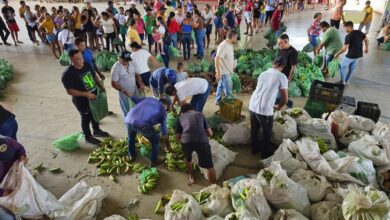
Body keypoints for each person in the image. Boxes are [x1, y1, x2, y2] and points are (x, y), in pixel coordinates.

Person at [61, 49, 109, 145]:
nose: (81, 61)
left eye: (81, 58)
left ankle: (96, 130)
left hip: (94, 97)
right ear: (71, 60)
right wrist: (86, 94)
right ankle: (88, 136)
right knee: (86, 117)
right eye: (77, 59)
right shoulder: (68, 74)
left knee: (95, 114)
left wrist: (100, 86)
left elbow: (94, 75)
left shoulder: (86, 64)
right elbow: (70, 91)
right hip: (81, 100)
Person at [249, 56, 288, 158]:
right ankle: (265, 153)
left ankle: (254, 149)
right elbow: (285, 98)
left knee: (254, 129)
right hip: (264, 109)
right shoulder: (282, 76)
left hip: (252, 104)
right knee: (267, 132)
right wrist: (279, 106)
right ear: (282, 66)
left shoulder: (263, 73)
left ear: (273, 63)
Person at [175, 104, 216, 184]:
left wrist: (181, 142)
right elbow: (210, 133)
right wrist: (204, 135)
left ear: (183, 112)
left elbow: (177, 137)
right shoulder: (200, 114)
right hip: (202, 140)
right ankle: (214, 185)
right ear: (193, 109)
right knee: (209, 166)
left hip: (186, 141)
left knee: (188, 159)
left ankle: (192, 176)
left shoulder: (180, 118)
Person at [125, 97, 170, 166]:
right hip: (141, 124)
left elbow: (135, 99)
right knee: (156, 140)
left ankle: (132, 155)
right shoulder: (162, 111)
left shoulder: (150, 99)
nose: (166, 110)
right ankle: (154, 161)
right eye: (167, 108)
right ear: (165, 106)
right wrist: (168, 145)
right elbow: (164, 133)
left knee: (131, 137)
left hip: (128, 119)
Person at [335, 21, 369, 85]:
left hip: (351, 55)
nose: (344, 30)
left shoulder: (348, 36)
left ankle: (342, 82)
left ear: (348, 27)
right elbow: (366, 40)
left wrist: (337, 54)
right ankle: (347, 81)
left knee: (342, 67)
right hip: (359, 54)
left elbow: (344, 49)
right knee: (352, 68)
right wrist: (366, 48)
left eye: (344, 28)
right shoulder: (360, 32)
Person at [111, 51, 143, 116]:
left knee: (138, 106)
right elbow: (114, 84)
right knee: (127, 110)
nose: (127, 62)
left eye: (128, 60)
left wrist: (141, 84)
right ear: (119, 58)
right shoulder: (116, 68)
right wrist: (124, 91)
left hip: (134, 89)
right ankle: (129, 124)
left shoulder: (131, 63)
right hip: (124, 93)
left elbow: (137, 75)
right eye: (125, 60)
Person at [215, 30, 238, 104]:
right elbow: (217, 58)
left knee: (221, 86)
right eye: (236, 38)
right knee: (228, 89)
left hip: (227, 70)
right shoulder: (223, 46)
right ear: (232, 37)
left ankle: (218, 100)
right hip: (224, 71)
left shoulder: (230, 44)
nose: (236, 39)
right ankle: (230, 104)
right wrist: (218, 72)